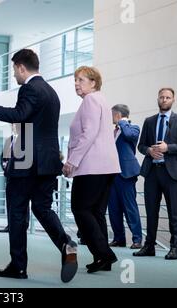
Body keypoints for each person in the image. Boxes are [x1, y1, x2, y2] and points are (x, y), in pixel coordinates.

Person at [0, 49, 78, 283]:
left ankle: (18, 266)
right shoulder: (51, 92)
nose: (14, 75)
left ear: (20, 67)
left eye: (14, 70)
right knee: (43, 208)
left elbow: (19, 114)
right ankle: (65, 243)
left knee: (17, 213)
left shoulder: (29, 88)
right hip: (48, 162)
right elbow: (35, 124)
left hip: (26, 160)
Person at [62, 66, 120, 274]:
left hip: (92, 166)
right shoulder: (101, 99)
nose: (76, 84)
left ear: (93, 82)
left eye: (81, 80)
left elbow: (89, 133)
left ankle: (105, 254)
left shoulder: (90, 100)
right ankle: (101, 258)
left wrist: (72, 162)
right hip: (107, 166)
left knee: (80, 208)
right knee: (96, 212)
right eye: (75, 80)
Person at [133, 88, 177, 260]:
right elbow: (141, 145)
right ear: (158, 99)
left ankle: (176, 247)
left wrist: (169, 148)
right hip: (152, 172)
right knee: (151, 212)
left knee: (174, 212)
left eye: (168, 97)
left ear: (173, 100)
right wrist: (149, 151)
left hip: (172, 174)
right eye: (162, 97)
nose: (164, 99)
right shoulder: (149, 121)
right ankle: (149, 246)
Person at [108, 104, 143, 249]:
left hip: (126, 174)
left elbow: (129, 136)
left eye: (112, 114)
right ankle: (119, 238)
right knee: (113, 209)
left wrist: (122, 121)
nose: (110, 117)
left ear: (117, 114)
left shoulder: (133, 128)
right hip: (111, 174)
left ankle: (137, 239)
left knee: (130, 207)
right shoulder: (113, 131)